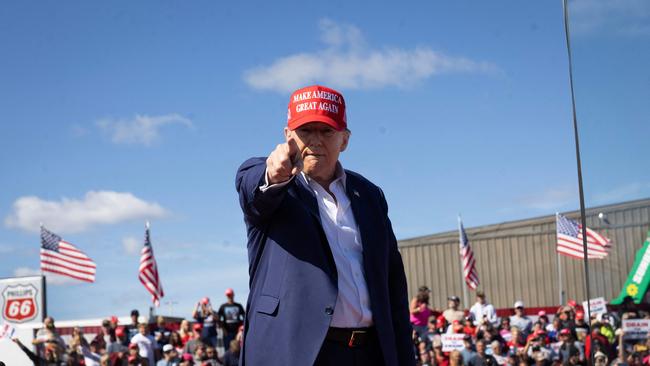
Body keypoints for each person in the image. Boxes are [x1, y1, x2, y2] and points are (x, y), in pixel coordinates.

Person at [235, 85, 414, 365]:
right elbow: (253, 190)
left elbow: (392, 284)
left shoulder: (369, 195)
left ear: (344, 140)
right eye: (306, 131)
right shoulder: (273, 184)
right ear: (287, 136)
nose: (315, 141)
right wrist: (274, 174)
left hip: (370, 352)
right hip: (299, 353)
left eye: (327, 131)